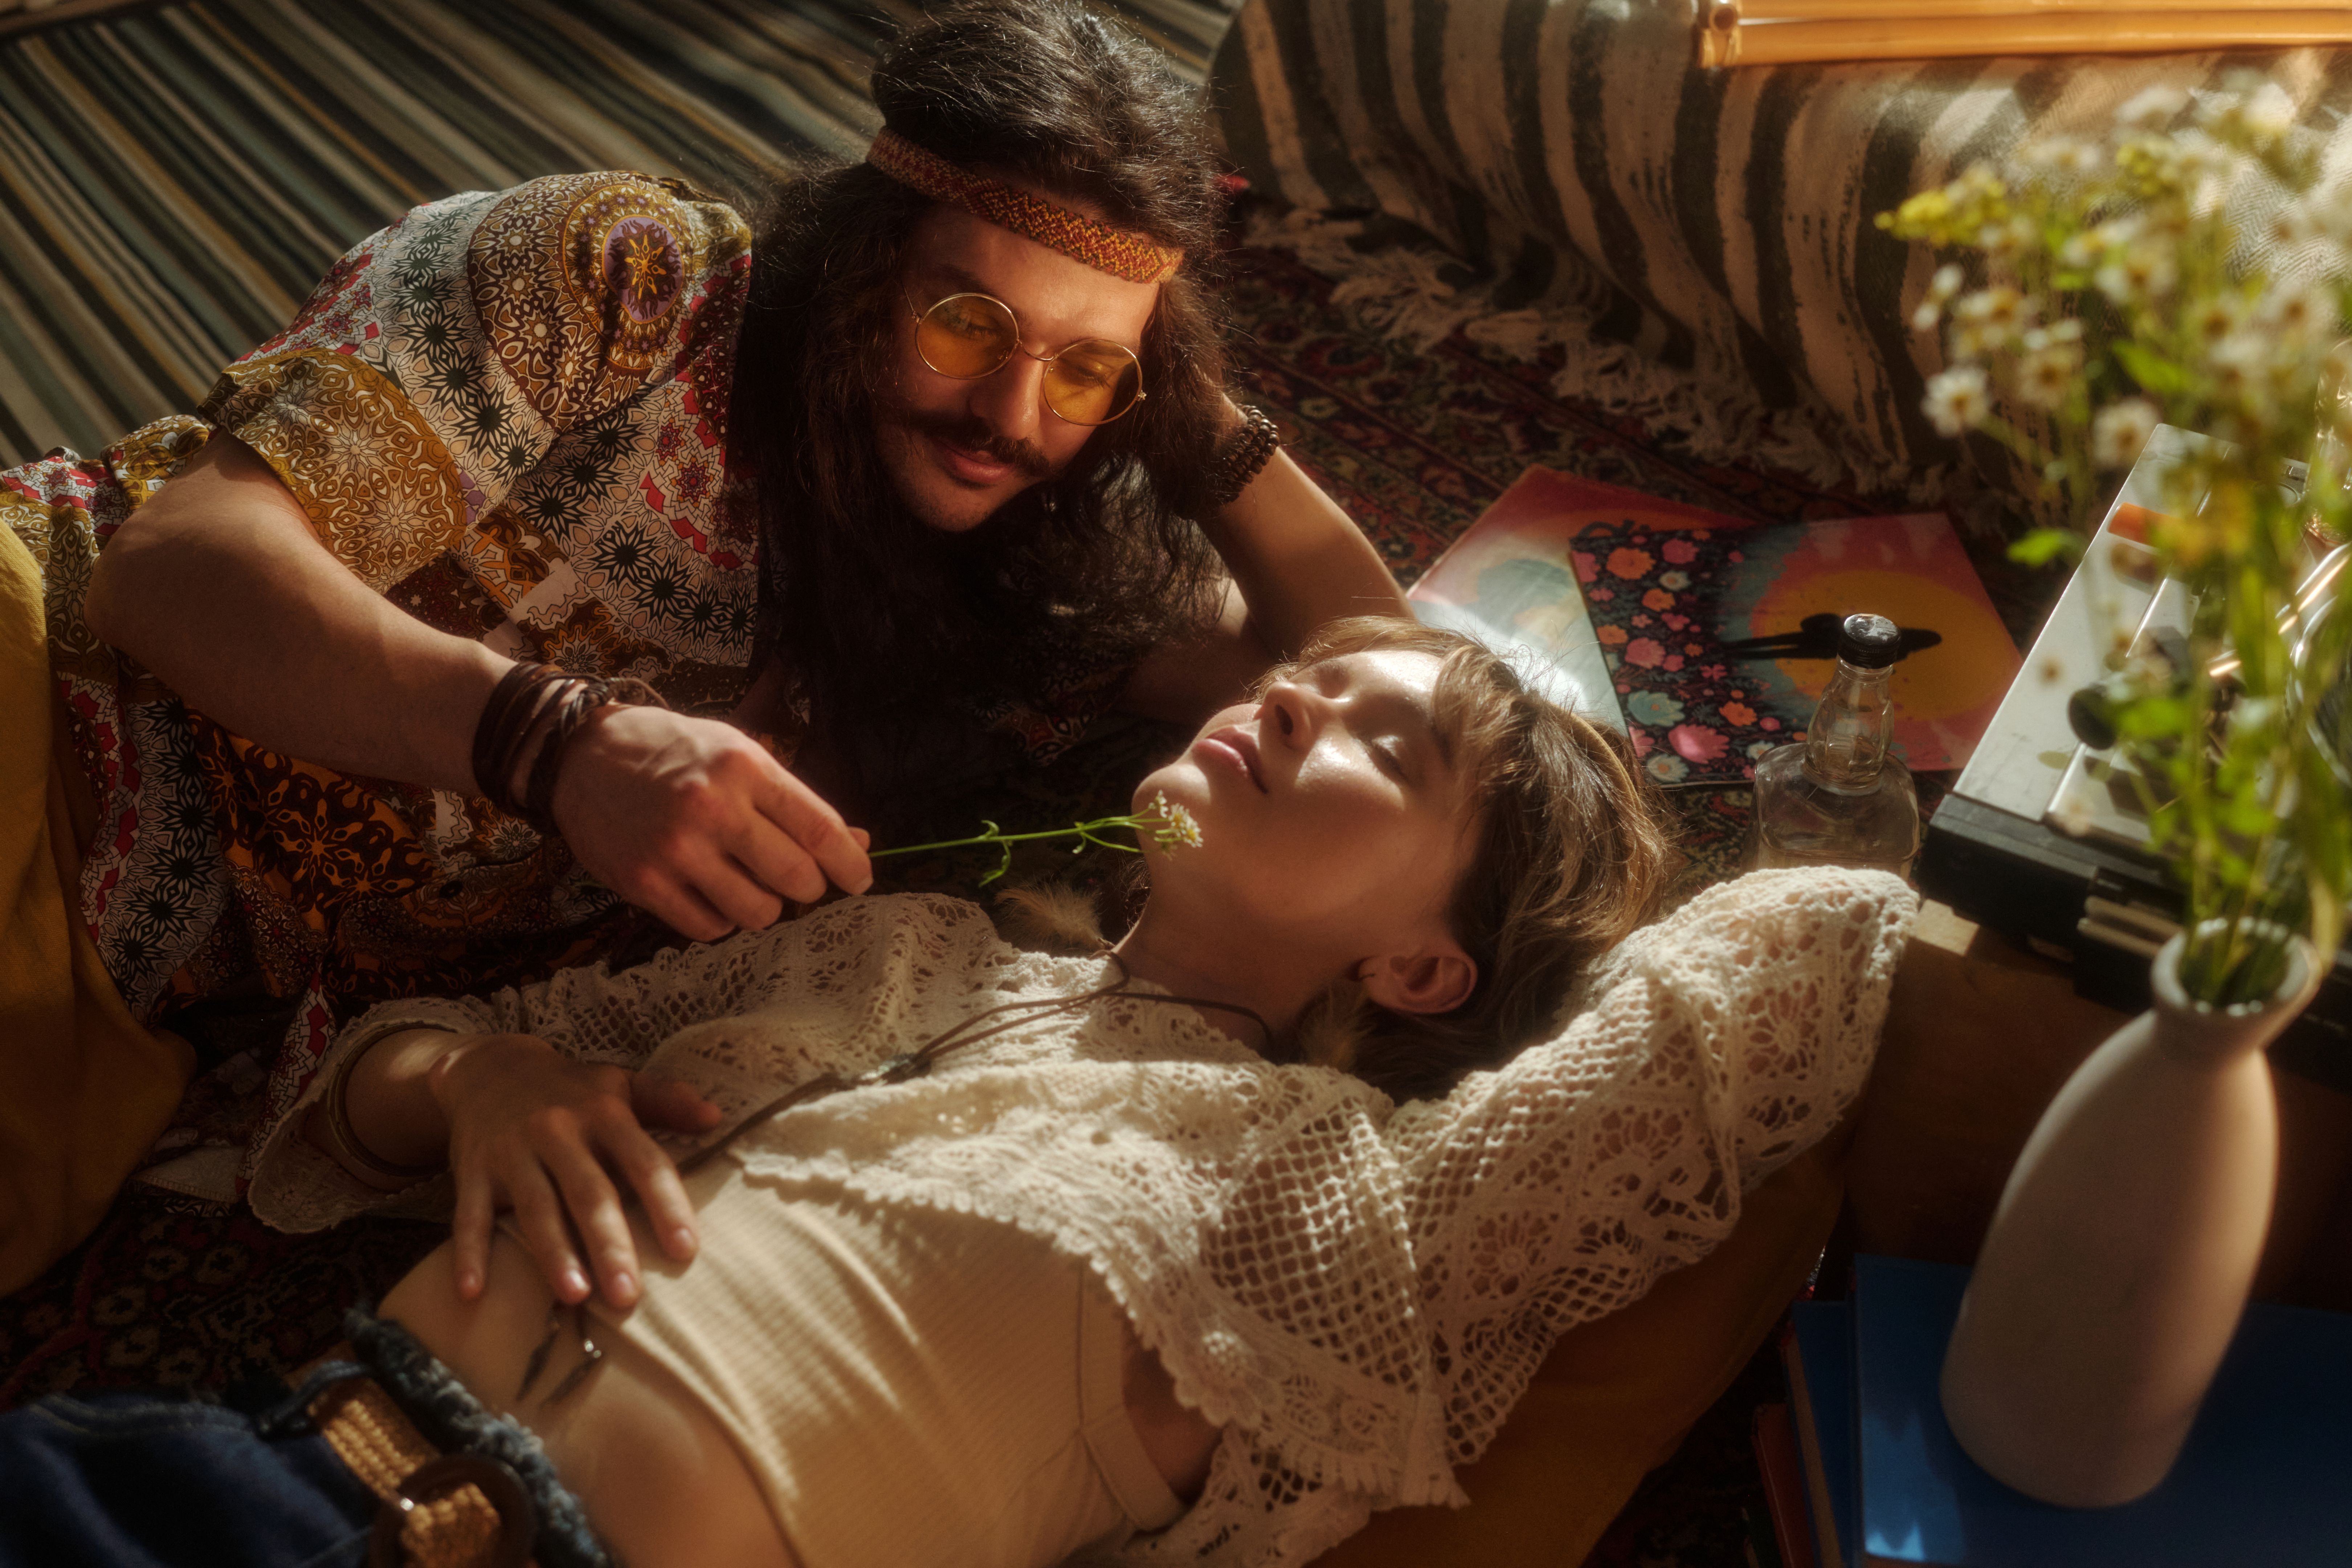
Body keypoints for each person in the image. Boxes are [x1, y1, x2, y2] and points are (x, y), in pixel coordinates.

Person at [0, 619, 1918, 1568]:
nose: (1305, 698)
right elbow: (340, 1097)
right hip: (211, 1467)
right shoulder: (893, 956)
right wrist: (489, 1076)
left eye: (1385, 737)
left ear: (1423, 968)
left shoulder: (1348, 1204)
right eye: (1315, 668)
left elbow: (1810, 955)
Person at [0, 0, 1407, 1291]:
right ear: (861, 267)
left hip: (113, 1024)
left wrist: (1192, 411)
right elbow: (172, 571)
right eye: (968, 321)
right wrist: (555, 745)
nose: (1012, 414)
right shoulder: (628, 285)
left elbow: (1369, 665)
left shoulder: (1011, 581)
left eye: (1085, 367)